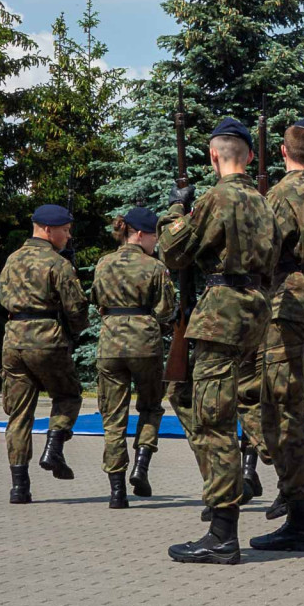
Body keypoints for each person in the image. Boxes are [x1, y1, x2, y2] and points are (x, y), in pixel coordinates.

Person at [158, 117, 281, 565]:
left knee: (212, 419)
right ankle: (277, 489)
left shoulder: (216, 197)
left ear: (214, 156)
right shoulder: (266, 202)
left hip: (222, 313)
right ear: (248, 157)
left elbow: (173, 252)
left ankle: (222, 533)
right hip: (256, 309)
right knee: (243, 404)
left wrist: (175, 210)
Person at [249, 119, 304, 552]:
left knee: (282, 408)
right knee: (282, 400)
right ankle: (293, 497)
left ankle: (299, 516)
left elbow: (263, 249)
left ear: (284, 153)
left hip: (287, 300)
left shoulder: (280, 195)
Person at [0, 204, 90, 504]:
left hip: (13, 340)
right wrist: (74, 332)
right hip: (47, 338)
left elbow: (3, 297)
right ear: (48, 230)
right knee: (68, 394)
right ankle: (54, 447)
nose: (68, 236)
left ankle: (19, 487)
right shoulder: (57, 264)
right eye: (65, 230)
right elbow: (76, 308)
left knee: (19, 414)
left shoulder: (11, 260)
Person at [90, 207, 176, 509]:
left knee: (113, 418)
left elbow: (97, 299)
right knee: (151, 407)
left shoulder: (103, 263)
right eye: (154, 234)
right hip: (145, 344)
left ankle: (117, 492)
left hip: (110, 344)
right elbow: (166, 310)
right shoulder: (154, 267)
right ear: (139, 233)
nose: (157, 241)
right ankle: (141, 466)